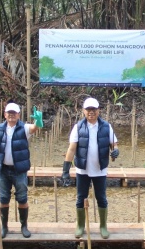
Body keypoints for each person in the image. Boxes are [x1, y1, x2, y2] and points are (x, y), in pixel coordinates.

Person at [61, 97, 119, 239]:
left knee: (101, 198)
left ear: (98, 110)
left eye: (94, 109)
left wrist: (116, 150)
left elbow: (114, 144)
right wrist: (65, 170)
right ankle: (80, 226)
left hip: (100, 170)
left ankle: (103, 226)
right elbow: (71, 149)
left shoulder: (107, 127)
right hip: (82, 170)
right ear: (83, 111)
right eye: (88, 109)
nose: (91, 112)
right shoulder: (78, 127)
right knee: (81, 198)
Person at [0, 101, 41, 238]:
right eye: (9, 113)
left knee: (22, 198)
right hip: (3, 170)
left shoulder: (24, 128)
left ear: (19, 115)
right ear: (4, 114)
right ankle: (4, 227)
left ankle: (24, 226)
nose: (11, 115)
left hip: (19, 170)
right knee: (3, 198)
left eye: (14, 113)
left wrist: (38, 120)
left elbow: (34, 128)